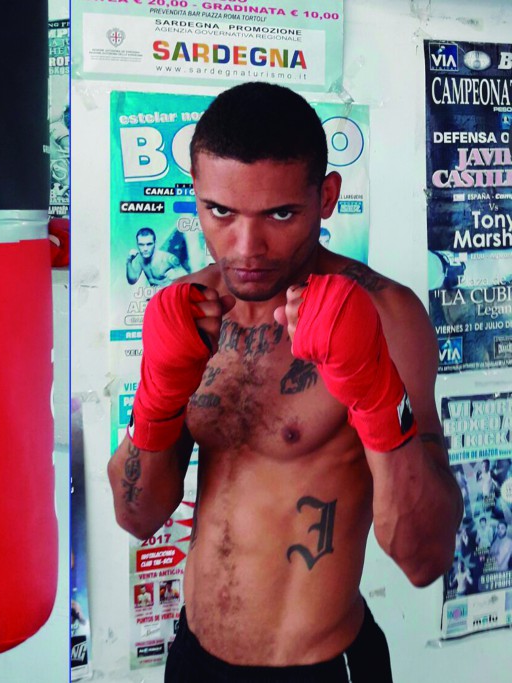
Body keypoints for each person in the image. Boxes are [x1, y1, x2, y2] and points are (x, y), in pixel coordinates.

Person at [107, 82, 462, 682]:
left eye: (279, 214)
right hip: (193, 657)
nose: (246, 249)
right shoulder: (190, 311)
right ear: (195, 196)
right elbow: (137, 515)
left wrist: (378, 396)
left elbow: (425, 558)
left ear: (325, 197)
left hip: (322, 668)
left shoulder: (386, 317)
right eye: (220, 212)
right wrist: (159, 395)